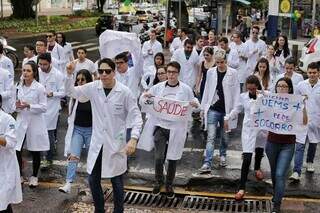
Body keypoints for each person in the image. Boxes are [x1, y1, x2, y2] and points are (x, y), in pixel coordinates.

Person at [65, 58, 143, 213]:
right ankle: (99, 209)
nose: (104, 74)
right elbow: (72, 92)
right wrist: (69, 74)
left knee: (116, 180)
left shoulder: (125, 92)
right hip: (98, 142)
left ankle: (118, 210)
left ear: (114, 72)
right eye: (101, 71)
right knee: (93, 179)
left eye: (108, 71)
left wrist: (133, 139)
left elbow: (137, 117)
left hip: (116, 143)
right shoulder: (94, 87)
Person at [138, 61, 199, 198]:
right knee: (159, 157)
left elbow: (195, 102)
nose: (171, 75)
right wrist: (145, 97)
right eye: (169, 72)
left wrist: (195, 104)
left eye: (174, 72)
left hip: (176, 129)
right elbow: (144, 100)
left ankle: (169, 184)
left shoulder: (185, 89)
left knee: (173, 158)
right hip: (160, 127)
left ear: (178, 73)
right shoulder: (158, 87)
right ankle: (158, 182)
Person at [265, 77, 308, 213]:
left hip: (287, 145)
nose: (282, 89)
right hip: (271, 142)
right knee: (273, 173)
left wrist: (303, 105)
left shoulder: (295, 102)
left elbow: (304, 122)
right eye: (279, 86)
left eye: (284, 86)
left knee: (279, 174)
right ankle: (276, 195)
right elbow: (261, 115)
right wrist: (260, 99)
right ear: (276, 88)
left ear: (289, 89)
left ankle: (276, 205)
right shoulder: (271, 101)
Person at [225, 75, 267, 200]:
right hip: (249, 128)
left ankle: (257, 167)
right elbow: (237, 109)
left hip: (261, 127)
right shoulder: (243, 97)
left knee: (259, 149)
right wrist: (228, 118)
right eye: (249, 89)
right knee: (247, 157)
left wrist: (262, 92)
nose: (251, 91)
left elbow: (273, 103)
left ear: (257, 87)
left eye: (253, 89)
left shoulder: (264, 95)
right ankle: (242, 187)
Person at [199, 50, 240, 172]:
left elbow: (237, 92)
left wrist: (235, 109)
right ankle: (207, 162)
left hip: (227, 111)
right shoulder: (211, 72)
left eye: (222, 62)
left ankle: (223, 155)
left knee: (224, 136)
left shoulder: (233, 73)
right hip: (213, 109)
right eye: (217, 62)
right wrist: (203, 107)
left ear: (226, 61)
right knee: (211, 137)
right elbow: (207, 90)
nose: (220, 65)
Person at [15, 61, 50, 187]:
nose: (25, 73)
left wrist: (29, 105)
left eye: (28, 71)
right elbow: (16, 105)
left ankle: (34, 176)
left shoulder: (39, 88)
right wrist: (18, 106)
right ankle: (19, 174)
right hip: (21, 120)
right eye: (24, 70)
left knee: (35, 150)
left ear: (34, 73)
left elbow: (44, 107)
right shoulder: (18, 86)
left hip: (35, 122)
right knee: (16, 148)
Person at [59, 69, 93, 193]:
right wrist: (68, 74)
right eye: (77, 80)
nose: (79, 82)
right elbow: (67, 90)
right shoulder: (75, 95)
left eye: (82, 80)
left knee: (92, 158)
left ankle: (92, 184)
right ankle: (68, 183)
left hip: (91, 131)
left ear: (88, 81)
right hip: (77, 130)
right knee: (73, 157)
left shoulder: (94, 95)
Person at [290, 62, 320, 181]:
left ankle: (310, 162)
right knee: (300, 145)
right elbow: (294, 101)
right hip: (302, 119)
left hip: (316, 119)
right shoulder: (301, 85)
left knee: (313, 142)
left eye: (314, 72)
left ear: (318, 73)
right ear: (307, 73)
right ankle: (296, 171)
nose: (312, 75)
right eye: (310, 72)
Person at [37, 53, 65, 168]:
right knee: (37, 133)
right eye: (40, 64)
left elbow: (63, 92)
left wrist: (52, 93)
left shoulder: (58, 75)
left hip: (52, 108)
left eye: (45, 64)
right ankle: (38, 157)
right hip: (38, 107)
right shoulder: (37, 72)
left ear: (50, 63)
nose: (42, 67)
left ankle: (48, 158)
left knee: (49, 133)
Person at [0, 96, 22, 213]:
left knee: (3, 201)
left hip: (4, 167)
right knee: (3, 203)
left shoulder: (8, 120)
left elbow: (11, 142)